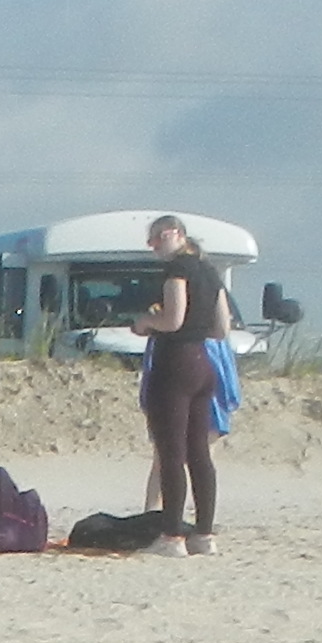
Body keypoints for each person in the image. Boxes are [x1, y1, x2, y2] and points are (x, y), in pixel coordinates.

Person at [126, 214, 228, 550]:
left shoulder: (177, 270)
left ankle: (171, 535)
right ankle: (205, 533)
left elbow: (173, 319)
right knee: (199, 451)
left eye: (158, 236)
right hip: (203, 361)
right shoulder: (210, 272)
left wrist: (145, 322)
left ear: (177, 234)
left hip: (174, 363)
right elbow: (222, 329)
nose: (153, 244)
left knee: (171, 451)